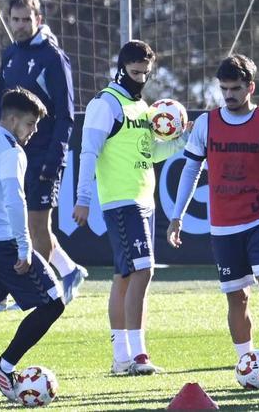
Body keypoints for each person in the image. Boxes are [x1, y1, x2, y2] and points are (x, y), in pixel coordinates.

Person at [166, 55, 259, 379]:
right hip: (223, 225)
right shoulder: (205, 124)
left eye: (236, 88)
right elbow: (190, 170)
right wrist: (176, 217)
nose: (229, 95)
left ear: (250, 87)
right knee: (236, 297)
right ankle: (247, 361)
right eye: (224, 88)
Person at [74, 40, 188, 375]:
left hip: (144, 200)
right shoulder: (105, 104)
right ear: (120, 68)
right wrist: (83, 198)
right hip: (121, 201)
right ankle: (138, 354)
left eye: (145, 74)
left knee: (124, 276)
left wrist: (182, 141)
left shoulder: (143, 108)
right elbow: (88, 152)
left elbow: (150, 153)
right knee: (144, 271)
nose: (139, 79)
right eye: (134, 72)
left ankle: (121, 358)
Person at [0, 88, 65, 407]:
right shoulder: (10, 150)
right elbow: (13, 198)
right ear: (13, 118)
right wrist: (24, 246)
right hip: (3, 245)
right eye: (31, 124)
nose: (33, 132)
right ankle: (4, 365)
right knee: (54, 301)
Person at [0, 0, 86, 302]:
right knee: (15, 224)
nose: (20, 26)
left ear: (39, 21)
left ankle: (37, 289)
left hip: (43, 154)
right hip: (11, 156)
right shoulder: (9, 55)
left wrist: (54, 159)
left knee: (36, 227)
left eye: (26, 20)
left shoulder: (52, 57)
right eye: (15, 19)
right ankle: (69, 272)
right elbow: (0, 108)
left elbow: (66, 115)